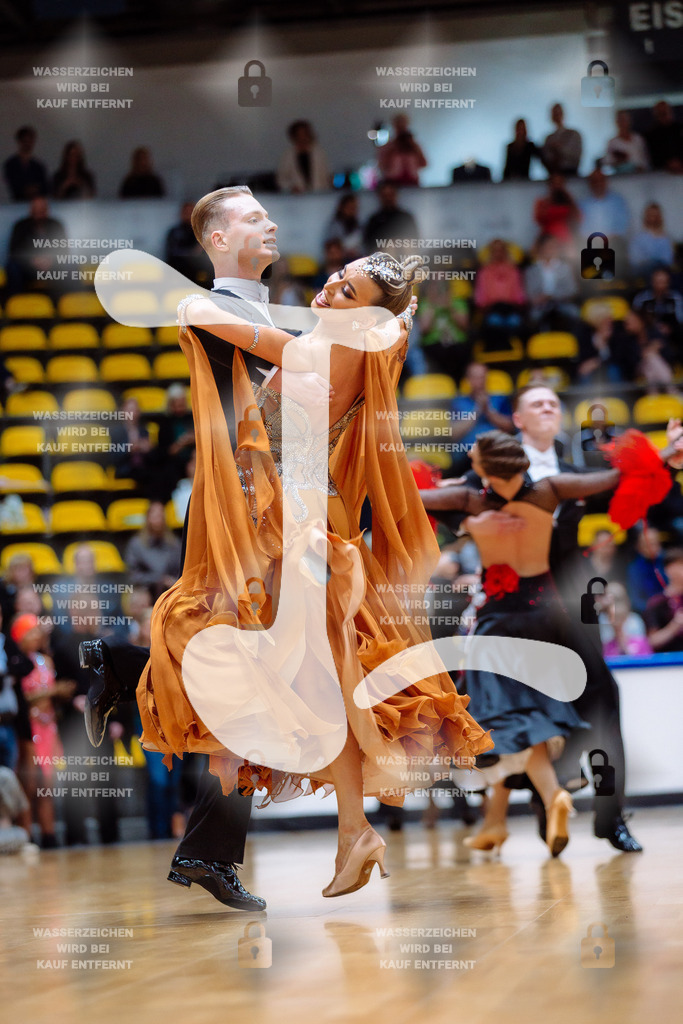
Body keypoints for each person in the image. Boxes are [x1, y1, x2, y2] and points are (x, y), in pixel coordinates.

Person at [137, 250, 493, 898]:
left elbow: (253, 338)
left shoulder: (332, 349)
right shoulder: (344, 345)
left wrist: (193, 305)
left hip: (296, 528)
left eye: (348, 286)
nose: (331, 283)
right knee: (322, 683)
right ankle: (347, 831)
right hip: (294, 520)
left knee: (231, 645)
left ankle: (327, 828)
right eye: (338, 273)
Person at [78, 186, 380, 911]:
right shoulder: (208, 308)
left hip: (281, 512)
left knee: (259, 685)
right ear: (216, 238)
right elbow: (296, 376)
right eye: (251, 217)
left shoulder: (258, 313)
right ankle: (249, 837)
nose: (270, 222)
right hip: (241, 516)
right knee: (270, 677)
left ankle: (125, 675)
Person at [419, 424, 680, 855]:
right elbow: (618, 477)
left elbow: (403, 497)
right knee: (530, 712)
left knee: (503, 716)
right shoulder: (552, 489)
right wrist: (668, 449)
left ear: (484, 468)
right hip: (550, 619)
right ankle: (509, 815)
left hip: (500, 624)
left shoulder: (471, 502)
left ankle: (557, 795)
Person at [449, 362, 514, 475]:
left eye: (482, 377)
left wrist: (489, 411)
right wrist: (477, 410)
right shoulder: (458, 402)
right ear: (468, 379)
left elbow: (510, 428)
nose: (480, 381)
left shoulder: (499, 399)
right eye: (475, 377)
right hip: (466, 455)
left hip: (496, 450)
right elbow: (454, 434)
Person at [5, 196, 67, 294]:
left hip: (52, 266)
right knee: (12, 267)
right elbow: (14, 251)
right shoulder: (20, 226)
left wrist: (51, 260)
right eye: (36, 210)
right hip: (27, 267)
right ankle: (14, 301)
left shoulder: (56, 225)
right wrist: (31, 260)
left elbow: (64, 250)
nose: (38, 213)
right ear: (30, 211)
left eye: (41, 209)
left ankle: (69, 301)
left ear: (46, 210)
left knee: (69, 266)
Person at [474, 238, 527, 350]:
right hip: (491, 311)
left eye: (500, 250)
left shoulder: (513, 271)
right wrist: (488, 306)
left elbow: (519, 296)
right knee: (494, 321)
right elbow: (480, 298)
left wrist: (513, 304)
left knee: (514, 322)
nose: (498, 253)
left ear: (505, 252)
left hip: (511, 310)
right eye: (495, 250)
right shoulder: (484, 272)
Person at [124, 502, 182, 602]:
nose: (158, 519)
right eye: (154, 516)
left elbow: (180, 571)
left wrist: (172, 582)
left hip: (170, 589)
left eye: (160, 516)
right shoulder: (137, 544)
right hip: (145, 589)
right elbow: (133, 575)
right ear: (148, 518)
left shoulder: (174, 543)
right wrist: (157, 579)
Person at [524, 234, 579, 331]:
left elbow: (572, 290)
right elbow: (529, 294)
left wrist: (552, 296)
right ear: (541, 248)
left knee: (574, 313)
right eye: (548, 247)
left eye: (554, 247)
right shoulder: (531, 270)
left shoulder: (565, 268)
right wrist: (539, 299)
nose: (551, 250)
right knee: (534, 317)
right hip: (540, 306)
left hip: (562, 303)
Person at [633, 267, 683, 349]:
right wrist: (654, 328)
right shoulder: (641, 298)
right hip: (647, 334)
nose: (661, 285)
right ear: (652, 282)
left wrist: (670, 328)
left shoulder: (676, 298)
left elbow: (680, 320)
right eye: (658, 282)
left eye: (664, 282)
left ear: (668, 283)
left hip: (671, 335)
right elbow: (636, 320)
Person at [644, 548, 683, 652]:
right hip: (668, 663)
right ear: (668, 570)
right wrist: (675, 625)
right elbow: (652, 641)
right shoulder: (656, 602)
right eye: (680, 565)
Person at [362, 182, 419, 253]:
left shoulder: (406, 217)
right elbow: (369, 243)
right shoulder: (374, 220)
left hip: (405, 255)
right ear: (380, 196)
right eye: (385, 195)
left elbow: (415, 239)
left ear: (396, 195)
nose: (388, 198)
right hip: (382, 257)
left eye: (391, 195)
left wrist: (397, 243)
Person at [277, 120, 331, 193]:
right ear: (294, 136)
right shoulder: (288, 156)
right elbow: (281, 179)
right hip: (297, 197)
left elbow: (326, 176)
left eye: (305, 134)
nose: (302, 137)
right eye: (299, 134)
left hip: (319, 194)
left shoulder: (319, 153)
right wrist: (291, 187)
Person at [578, 168, 630, 244]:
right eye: (594, 181)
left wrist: (607, 239)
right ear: (590, 184)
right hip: (592, 243)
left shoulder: (617, 201)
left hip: (614, 242)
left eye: (601, 180)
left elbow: (622, 226)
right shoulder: (583, 204)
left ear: (606, 182)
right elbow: (582, 229)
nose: (598, 184)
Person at [165, 201, 212, 283]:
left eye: (191, 212)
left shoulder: (202, 232)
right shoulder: (175, 232)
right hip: (179, 271)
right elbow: (173, 253)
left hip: (199, 272)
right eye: (186, 212)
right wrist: (194, 252)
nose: (188, 215)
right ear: (181, 213)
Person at [533, 175, 580, 252]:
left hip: (566, 239)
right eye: (554, 183)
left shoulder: (569, 201)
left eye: (559, 183)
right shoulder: (542, 202)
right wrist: (549, 201)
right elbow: (538, 219)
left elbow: (578, 218)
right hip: (548, 238)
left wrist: (568, 199)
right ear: (549, 185)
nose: (557, 186)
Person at [377, 114, 427, 187]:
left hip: (412, 182)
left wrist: (414, 147)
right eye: (398, 124)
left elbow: (424, 163)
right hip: (393, 183)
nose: (401, 128)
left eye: (403, 125)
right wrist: (393, 149)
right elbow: (382, 166)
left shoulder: (414, 146)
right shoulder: (388, 146)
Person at [628, 202, 675, 276]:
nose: (653, 218)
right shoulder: (638, 238)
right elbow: (635, 261)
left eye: (656, 215)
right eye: (651, 215)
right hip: (643, 272)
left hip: (662, 273)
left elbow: (668, 260)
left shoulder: (666, 238)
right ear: (646, 217)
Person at [3, 126, 47, 201]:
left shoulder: (38, 165)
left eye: (30, 140)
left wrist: (35, 190)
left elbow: (45, 186)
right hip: (18, 203)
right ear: (19, 141)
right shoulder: (11, 164)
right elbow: (13, 185)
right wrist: (27, 190)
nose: (28, 143)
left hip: (36, 204)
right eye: (25, 140)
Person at [542, 103, 582, 176]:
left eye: (558, 113)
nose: (557, 116)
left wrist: (560, 149)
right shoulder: (549, 138)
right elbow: (546, 159)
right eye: (555, 113)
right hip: (554, 176)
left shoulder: (573, 135)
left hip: (571, 174)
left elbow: (576, 157)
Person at [645, 100, 683, 173]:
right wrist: (668, 164)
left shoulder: (679, 129)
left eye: (665, 112)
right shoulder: (651, 134)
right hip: (662, 173)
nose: (664, 116)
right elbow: (652, 156)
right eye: (661, 113)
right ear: (656, 114)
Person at [324, 194, 362, 260]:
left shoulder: (358, 225)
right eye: (349, 208)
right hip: (340, 262)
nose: (352, 211)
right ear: (342, 208)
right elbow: (331, 248)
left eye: (354, 208)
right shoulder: (335, 226)